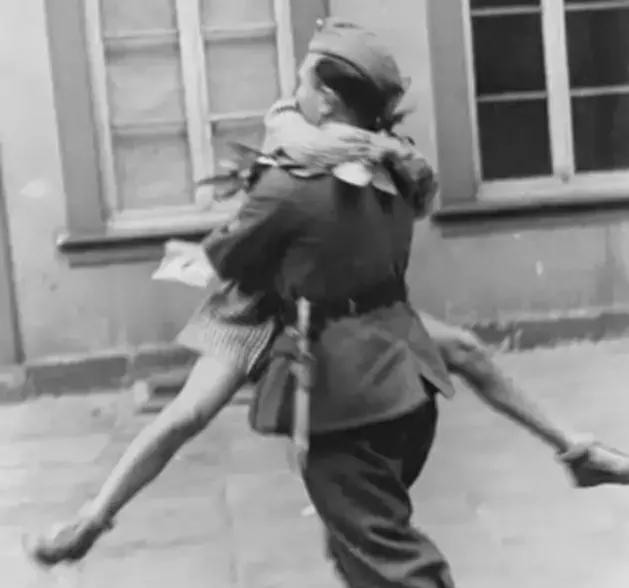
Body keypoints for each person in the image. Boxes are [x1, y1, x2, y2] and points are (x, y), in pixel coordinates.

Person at [25, 19, 629, 582]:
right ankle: (574, 446)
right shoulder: (392, 163)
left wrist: (191, 254)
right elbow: (309, 159)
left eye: (302, 83)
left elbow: (227, 254)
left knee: (196, 420)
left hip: (286, 313)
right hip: (356, 320)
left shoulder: (306, 176)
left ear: (330, 100)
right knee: (453, 369)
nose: (292, 94)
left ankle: (92, 520)